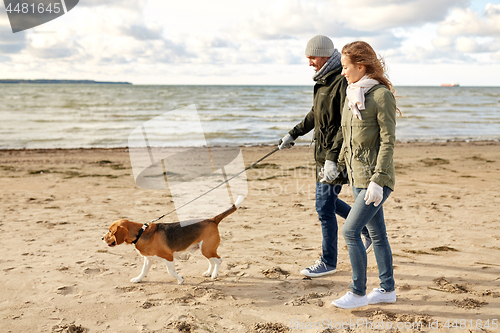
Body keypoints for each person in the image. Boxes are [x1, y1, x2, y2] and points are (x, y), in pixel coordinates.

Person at [278, 35, 371, 278]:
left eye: (312, 57)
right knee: (327, 204)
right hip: (323, 155)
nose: (309, 62)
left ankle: (329, 261)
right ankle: (367, 229)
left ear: (325, 55)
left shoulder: (342, 80)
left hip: (336, 156)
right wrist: (293, 134)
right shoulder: (322, 81)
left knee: (323, 207)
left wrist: (332, 158)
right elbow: (315, 114)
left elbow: (345, 123)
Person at [331, 41, 398, 309]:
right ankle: (387, 289)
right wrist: (336, 165)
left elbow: (388, 142)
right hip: (358, 178)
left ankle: (357, 293)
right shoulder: (353, 95)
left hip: (375, 181)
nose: (343, 72)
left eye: (346, 67)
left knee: (350, 231)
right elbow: (348, 138)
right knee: (378, 235)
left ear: (361, 66)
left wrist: (379, 180)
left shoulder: (381, 95)